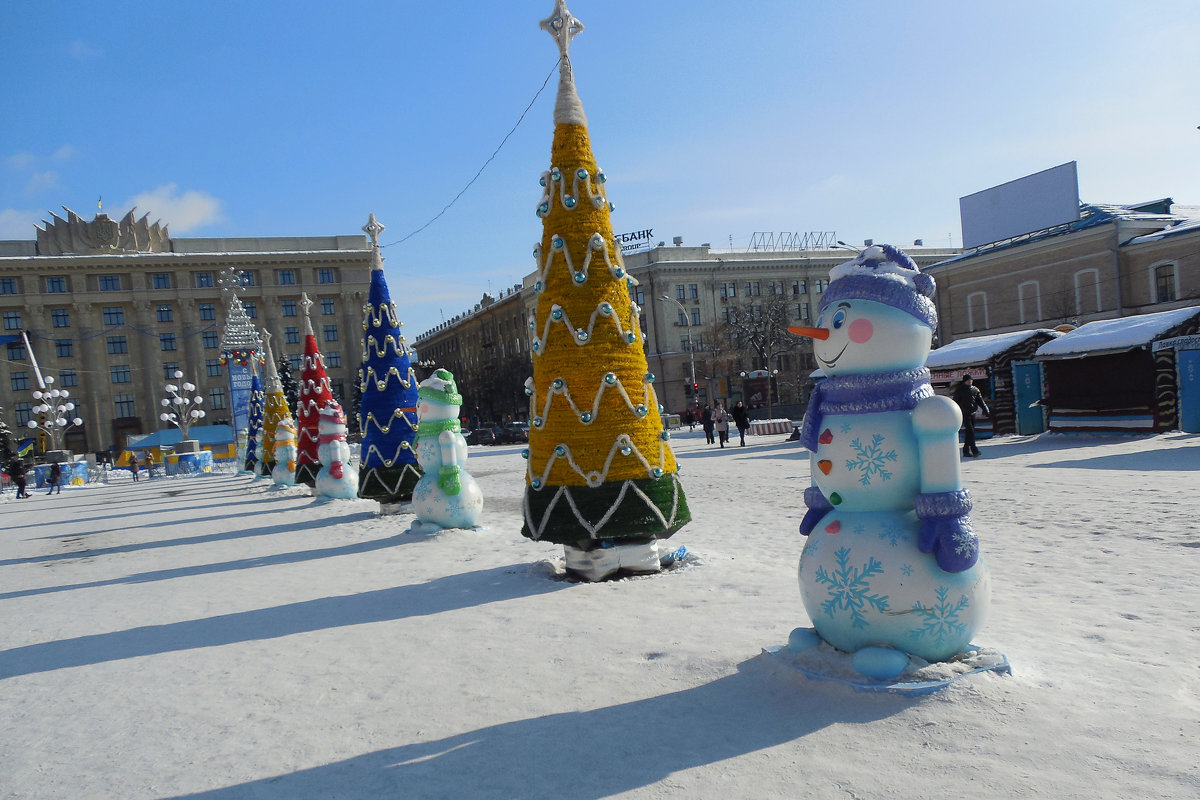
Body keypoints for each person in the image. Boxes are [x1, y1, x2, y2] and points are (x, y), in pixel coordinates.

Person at [952, 373, 990, 457]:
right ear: (964, 381)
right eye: (968, 380)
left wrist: (985, 409)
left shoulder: (975, 389)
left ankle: (966, 450)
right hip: (964, 413)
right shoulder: (960, 390)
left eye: (971, 380)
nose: (970, 381)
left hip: (973, 413)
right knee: (970, 431)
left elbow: (980, 401)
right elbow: (955, 402)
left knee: (970, 432)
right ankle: (974, 450)